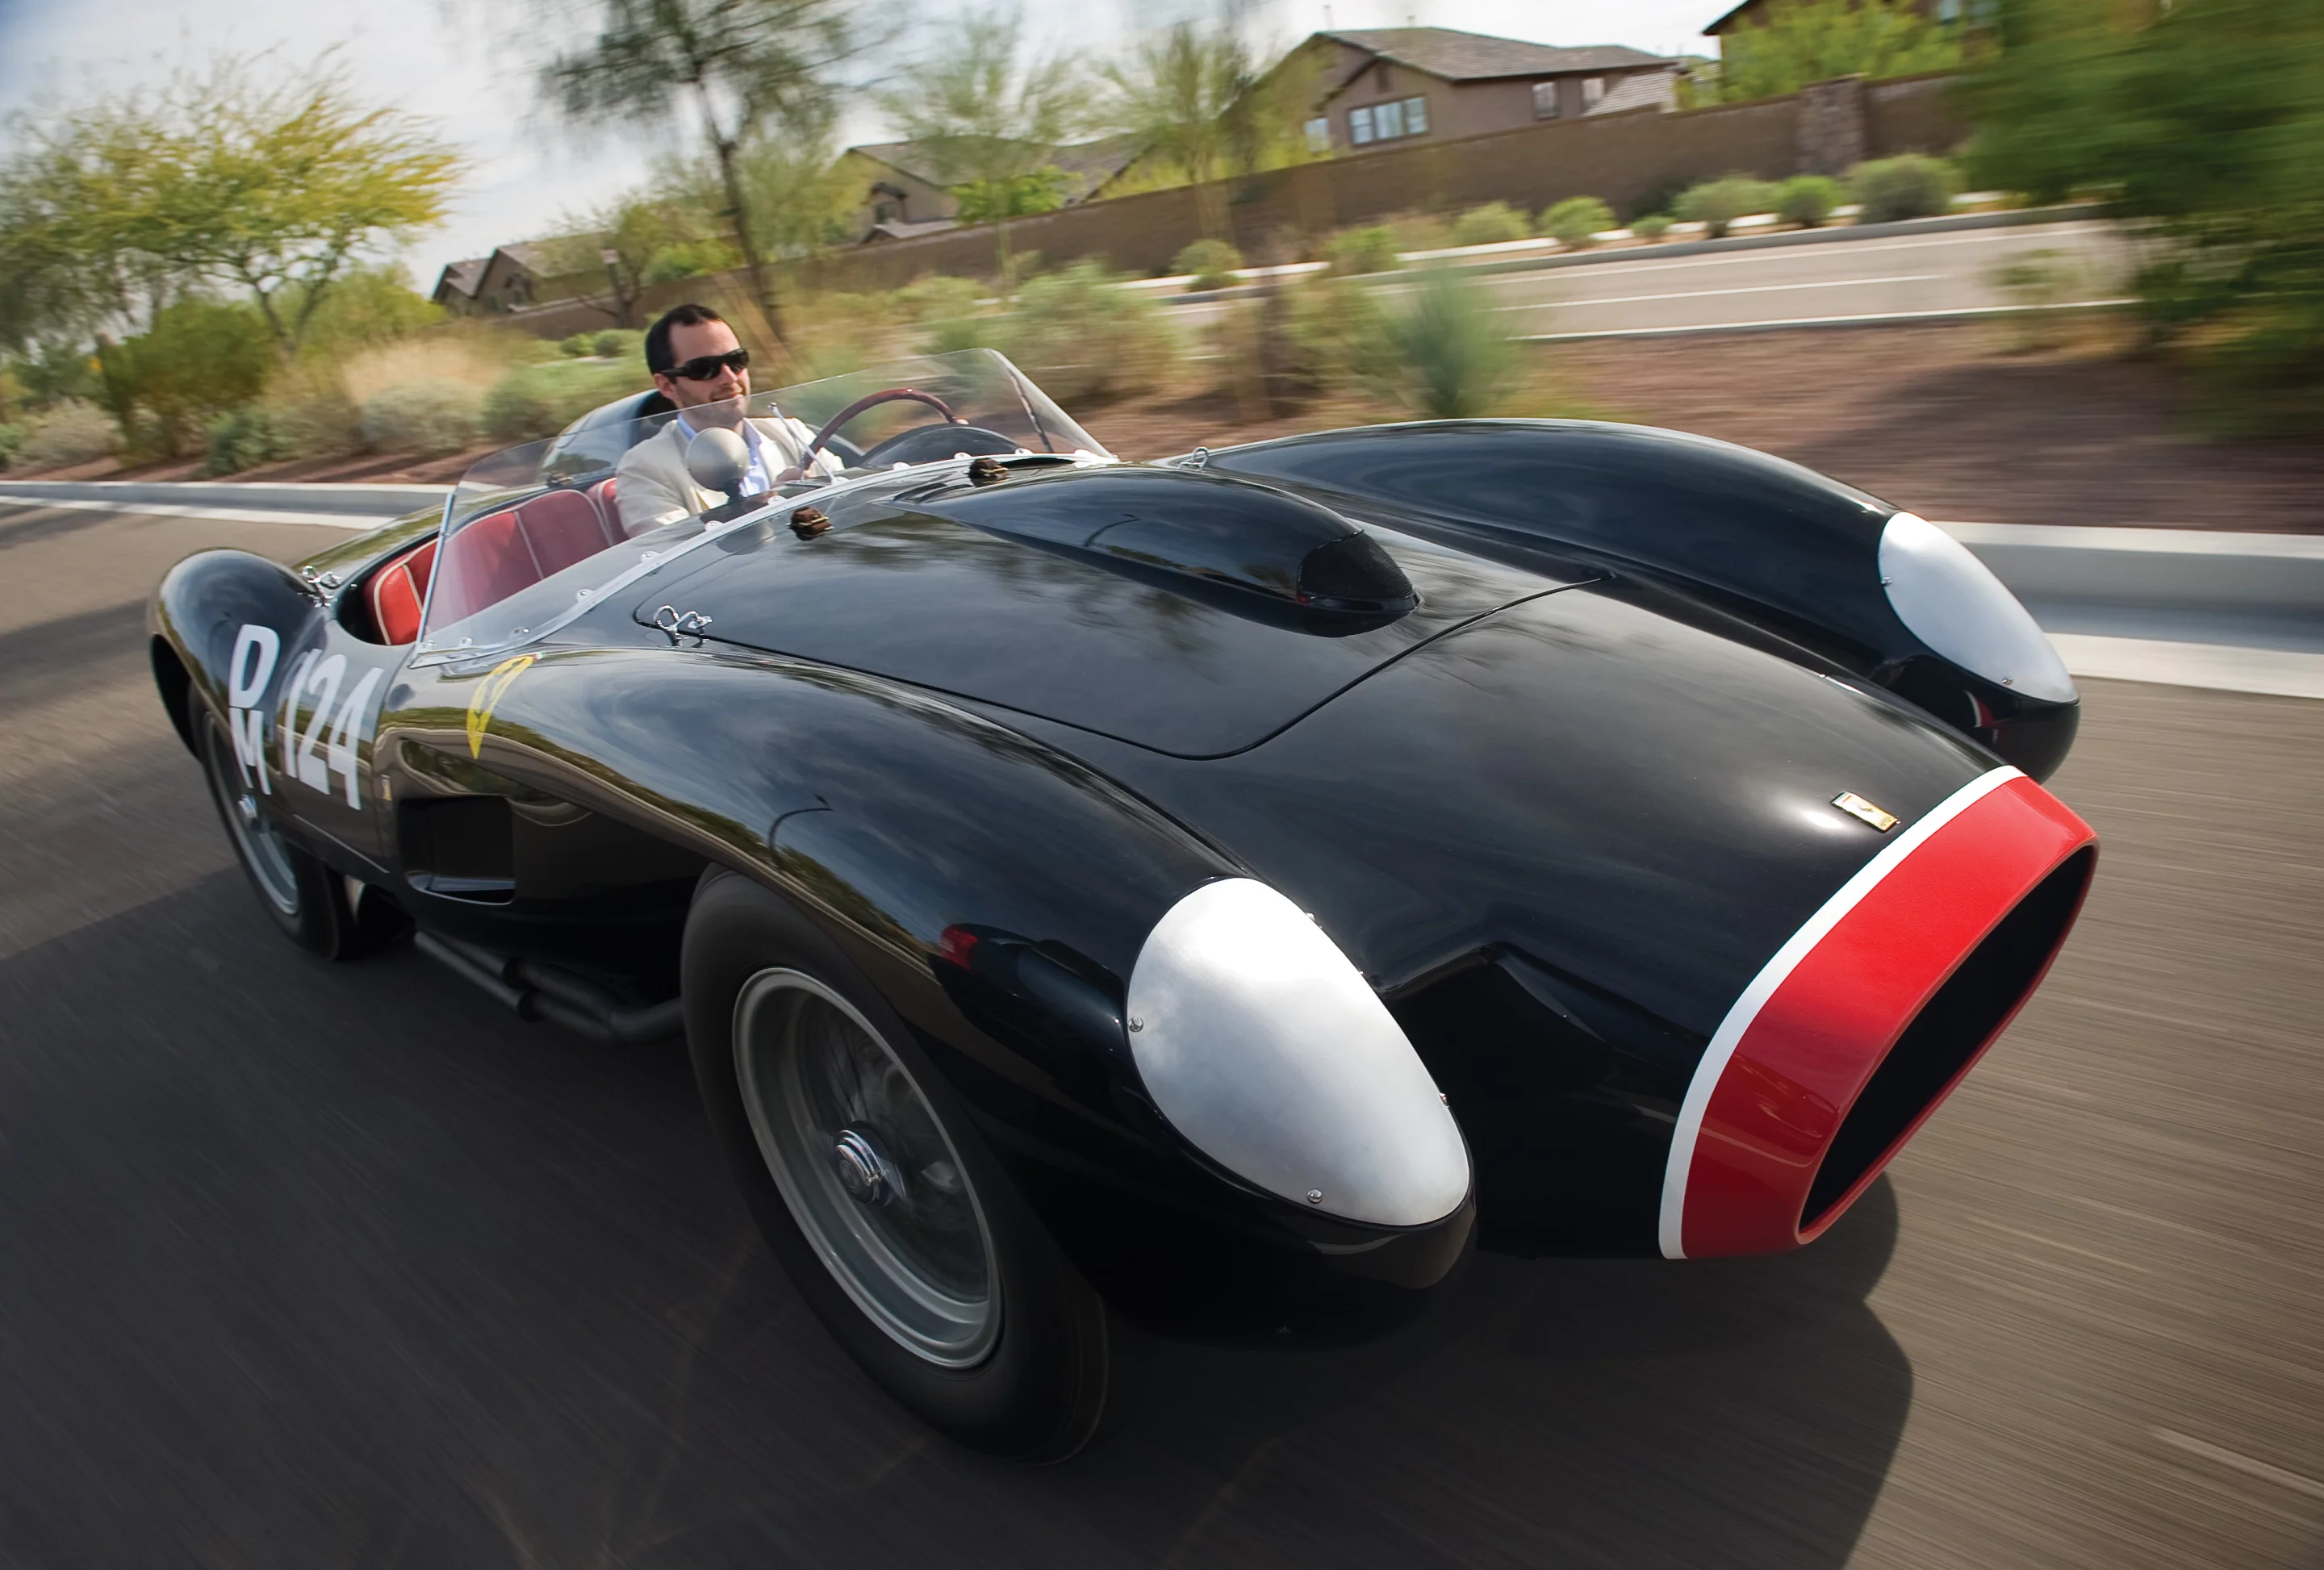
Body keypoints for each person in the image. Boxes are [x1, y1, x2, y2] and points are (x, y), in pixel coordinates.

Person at [613, 303, 838, 534]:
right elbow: (675, 560)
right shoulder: (644, 468)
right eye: (704, 368)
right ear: (667, 386)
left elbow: (854, 503)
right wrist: (773, 507)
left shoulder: (791, 434)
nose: (729, 378)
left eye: (736, 360)